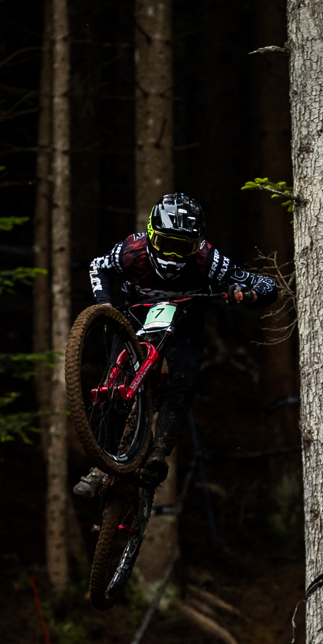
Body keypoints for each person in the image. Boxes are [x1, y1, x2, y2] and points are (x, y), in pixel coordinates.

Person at [73, 193, 278, 498]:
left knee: (184, 375)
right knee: (114, 385)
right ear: (151, 235)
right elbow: (98, 266)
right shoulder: (131, 250)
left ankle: (159, 451)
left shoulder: (208, 258)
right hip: (135, 313)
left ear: (197, 245)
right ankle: (100, 468)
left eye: (182, 247)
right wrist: (104, 306)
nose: (172, 255)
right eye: (166, 243)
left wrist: (246, 293)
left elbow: (266, 286)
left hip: (184, 317)